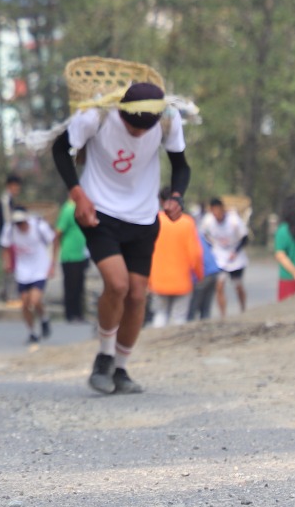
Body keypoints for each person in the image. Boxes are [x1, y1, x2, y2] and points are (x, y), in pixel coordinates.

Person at [51, 81, 191, 396]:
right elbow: (60, 149)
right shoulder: (96, 116)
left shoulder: (168, 119)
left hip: (143, 216)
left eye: (145, 128)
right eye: (132, 126)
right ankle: (104, 356)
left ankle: (121, 368)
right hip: (99, 212)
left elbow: (181, 165)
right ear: (122, 112)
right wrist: (77, 194)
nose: (138, 133)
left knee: (138, 296)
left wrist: (176, 197)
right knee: (117, 285)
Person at [1, 208, 58, 346]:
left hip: (40, 268)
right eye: (17, 223)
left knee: (35, 300)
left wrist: (52, 264)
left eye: (21, 222)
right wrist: (7, 262)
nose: (20, 226)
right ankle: (32, 332)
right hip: (23, 270)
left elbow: (54, 240)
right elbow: (5, 246)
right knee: (25, 303)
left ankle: (43, 318)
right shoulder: (10, 230)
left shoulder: (39, 226)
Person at [148, 189, 202, 326]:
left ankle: (157, 338)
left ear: (160, 201)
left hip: (158, 280)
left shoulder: (154, 221)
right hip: (182, 280)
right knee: (179, 317)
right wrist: (199, 274)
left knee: (160, 314)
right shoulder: (187, 222)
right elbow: (195, 254)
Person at [200, 197, 248, 316]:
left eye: (218, 211)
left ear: (222, 209)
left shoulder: (234, 220)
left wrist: (235, 252)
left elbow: (245, 238)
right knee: (219, 286)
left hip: (235, 257)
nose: (216, 214)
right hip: (220, 257)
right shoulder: (208, 221)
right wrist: (211, 248)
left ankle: (243, 309)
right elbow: (204, 236)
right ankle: (223, 315)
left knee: (237, 285)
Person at [54, 192, 89, 323]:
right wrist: (55, 254)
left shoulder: (80, 208)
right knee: (71, 286)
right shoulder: (68, 208)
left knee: (79, 286)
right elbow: (58, 231)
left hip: (81, 254)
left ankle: (79, 314)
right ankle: (70, 314)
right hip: (70, 255)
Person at [0, 174, 23, 300]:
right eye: (15, 186)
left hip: (8, 237)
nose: (17, 189)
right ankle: (7, 293)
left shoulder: (9, 199)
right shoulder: (6, 199)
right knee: (8, 265)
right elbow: (8, 221)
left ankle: (7, 292)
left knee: (10, 266)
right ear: (10, 186)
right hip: (6, 238)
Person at [187, 222, 221, 321]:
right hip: (214, 270)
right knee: (205, 308)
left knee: (192, 308)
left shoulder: (188, 238)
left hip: (203, 273)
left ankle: (190, 327)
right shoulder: (198, 235)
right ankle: (205, 326)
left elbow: (194, 258)